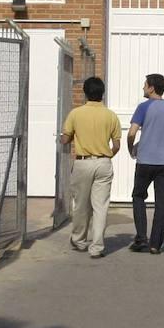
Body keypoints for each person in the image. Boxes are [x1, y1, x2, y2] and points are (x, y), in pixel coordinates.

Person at [59, 76, 121, 259]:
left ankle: (79, 240)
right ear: (102, 93)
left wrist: (66, 137)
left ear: (85, 93)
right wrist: (107, 155)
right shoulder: (111, 115)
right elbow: (117, 145)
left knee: (80, 205)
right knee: (101, 206)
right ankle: (97, 247)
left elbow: (65, 138)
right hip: (103, 163)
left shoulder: (76, 114)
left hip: (83, 162)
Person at [126, 73, 164, 254]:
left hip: (145, 161)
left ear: (151, 88)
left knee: (138, 196)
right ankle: (155, 244)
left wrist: (131, 149)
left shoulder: (143, 107)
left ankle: (141, 238)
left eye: (144, 85)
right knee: (161, 203)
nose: (143, 88)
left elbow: (132, 133)